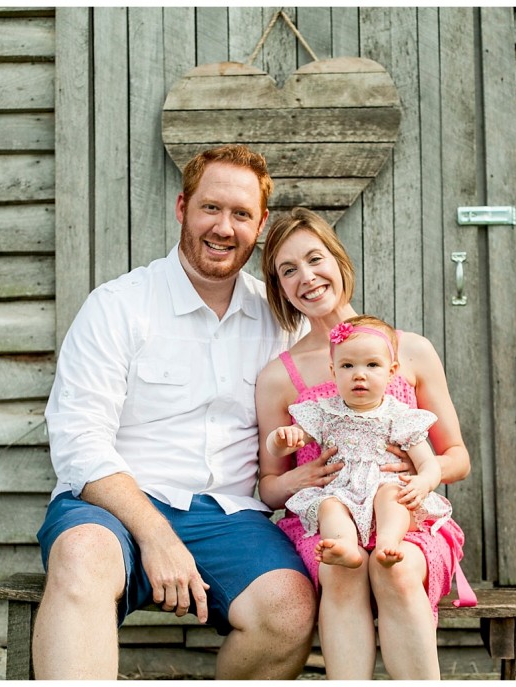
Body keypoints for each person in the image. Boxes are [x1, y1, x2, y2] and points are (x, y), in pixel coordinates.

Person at [34, 145, 317, 680]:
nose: (224, 227)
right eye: (212, 208)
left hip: (231, 516)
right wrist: (156, 534)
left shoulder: (281, 320)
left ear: (259, 228)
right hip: (113, 506)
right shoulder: (118, 306)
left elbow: (335, 390)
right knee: (83, 555)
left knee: (290, 605)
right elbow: (79, 441)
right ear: (182, 207)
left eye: (241, 215)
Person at [255, 207, 474, 680]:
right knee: (341, 566)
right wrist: (297, 477)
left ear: (338, 260)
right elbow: (269, 488)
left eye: (315, 259)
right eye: (288, 270)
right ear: (278, 287)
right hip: (329, 524)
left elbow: (457, 457)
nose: (306, 278)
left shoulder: (407, 350)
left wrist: (421, 473)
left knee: (393, 569)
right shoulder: (279, 376)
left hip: (405, 520)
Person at [266, 316, 454, 569]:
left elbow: (428, 464)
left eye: (372, 365)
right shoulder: (324, 412)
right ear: (334, 372)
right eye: (348, 366)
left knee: (391, 494)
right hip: (342, 494)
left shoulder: (399, 416)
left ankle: (389, 541)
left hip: (386, 498)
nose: (359, 375)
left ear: (391, 372)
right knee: (329, 505)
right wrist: (280, 440)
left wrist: (423, 482)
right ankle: (345, 545)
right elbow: (281, 449)